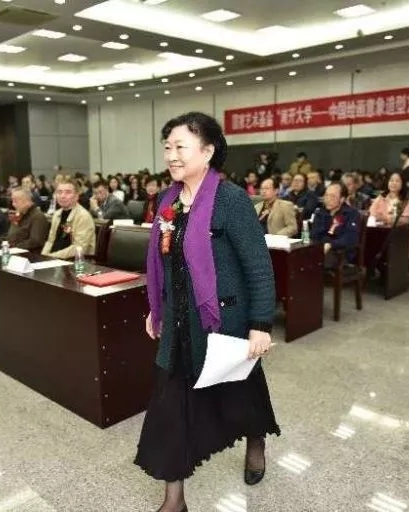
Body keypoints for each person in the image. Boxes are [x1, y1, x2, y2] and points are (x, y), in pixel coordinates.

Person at [137, 112, 279, 512]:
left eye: (180, 146)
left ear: (208, 151)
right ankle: (174, 501)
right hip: (178, 323)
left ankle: (256, 442)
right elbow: (166, 264)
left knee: (241, 392)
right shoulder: (168, 201)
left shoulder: (230, 200)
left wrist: (260, 325)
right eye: (168, 147)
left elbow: (258, 266)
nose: (172, 155)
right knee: (169, 409)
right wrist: (157, 308)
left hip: (223, 323)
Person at [310, 183, 361, 269]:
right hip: (320, 248)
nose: (328, 199)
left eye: (332, 196)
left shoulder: (352, 214)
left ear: (342, 199)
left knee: (315, 263)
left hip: (340, 252)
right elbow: (314, 234)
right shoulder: (320, 212)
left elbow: (350, 238)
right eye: (326, 195)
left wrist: (331, 244)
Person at [42, 179, 96, 259]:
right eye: (59, 192)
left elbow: (79, 247)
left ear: (76, 196)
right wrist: (43, 256)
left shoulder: (83, 216)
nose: (62, 196)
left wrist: (52, 257)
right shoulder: (57, 214)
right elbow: (50, 241)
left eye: (68, 192)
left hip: (75, 261)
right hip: (53, 259)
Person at [369, 172, 409, 257]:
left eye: (397, 181)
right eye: (391, 180)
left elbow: (405, 220)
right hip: (381, 230)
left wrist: (385, 218)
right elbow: (372, 212)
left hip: (401, 231)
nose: (394, 183)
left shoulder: (408, 200)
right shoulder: (381, 197)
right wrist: (382, 218)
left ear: (403, 183)